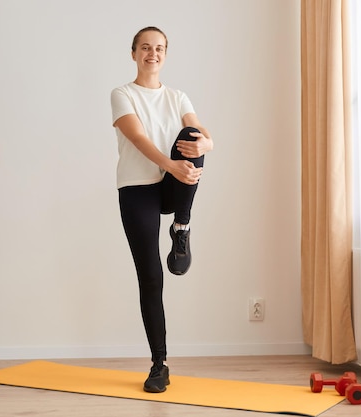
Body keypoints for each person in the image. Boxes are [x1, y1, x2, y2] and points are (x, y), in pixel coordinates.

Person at [110, 26, 214, 393]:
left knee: (192, 137)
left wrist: (208, 141)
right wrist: (172, 166)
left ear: (165, 54)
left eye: (159, 48)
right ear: (134, 52)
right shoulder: (122, 94)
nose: (152, 53)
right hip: (138, 189)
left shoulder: (177, 96)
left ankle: (181, 228)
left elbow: (199, 130)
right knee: (151, 277)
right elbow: (136, 137)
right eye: (145, 48)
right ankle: (160, 364)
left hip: (173, 189)